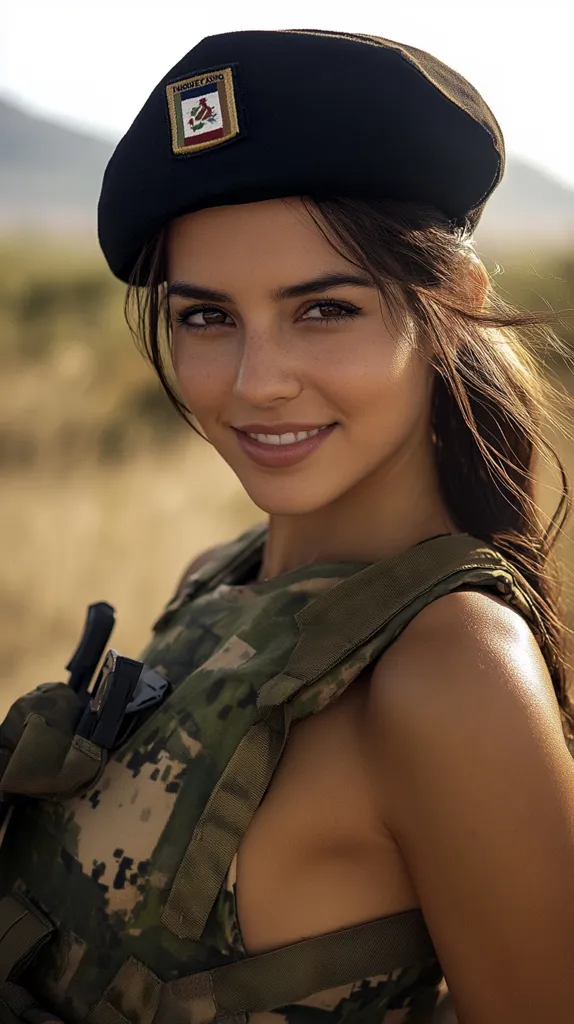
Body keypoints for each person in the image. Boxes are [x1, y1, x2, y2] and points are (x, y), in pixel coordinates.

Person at [0, 26, 574, 1024]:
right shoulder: (223, 580)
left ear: (448, 306)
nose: (258, 383)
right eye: (207, 317)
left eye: (322, 311)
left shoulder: (453, 670)